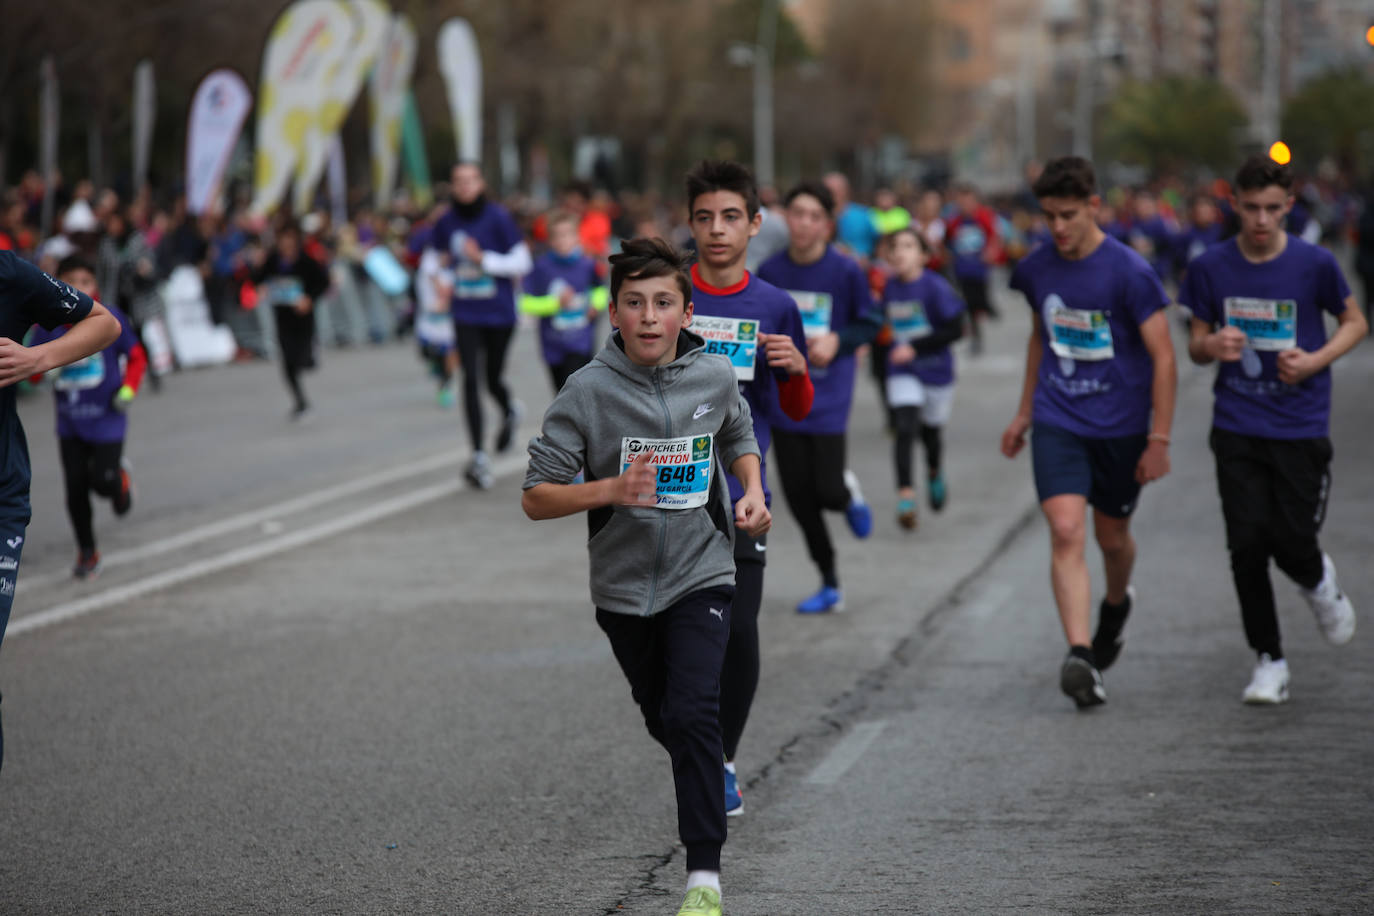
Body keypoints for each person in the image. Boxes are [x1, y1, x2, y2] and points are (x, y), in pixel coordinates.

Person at [522, 237, 769, 916]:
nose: (650, 317)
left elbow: (738, 436)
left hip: (703, 571)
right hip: (624, 591)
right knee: (667, 718)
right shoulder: (587, 392)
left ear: (687, 311)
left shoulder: (715, 374)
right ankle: (703, 759)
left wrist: (752, 491)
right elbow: (536, 496)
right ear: (614, 314)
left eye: (664, 303)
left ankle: (704, 878)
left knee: (693, 712)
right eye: (635, 303)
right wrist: (608, 490)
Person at [1181, 155, 1366, 705]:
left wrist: (1315, 360)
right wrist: (1212, 346)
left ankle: (1318, 581)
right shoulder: (1210, 267)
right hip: (1237, 422)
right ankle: (1269, 660)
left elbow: (1356, 322)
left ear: (1288, 207)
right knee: (1246, 546)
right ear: (1234, 204)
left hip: (1300, 425)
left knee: (1290, 541)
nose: (1261, 220)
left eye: (1272, 209)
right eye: (1251, 208)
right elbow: (1194, 343)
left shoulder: (1314, 264)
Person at [999, 156, 1177, 710]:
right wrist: (1025, 411)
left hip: (1121, 428)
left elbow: (1164, 357)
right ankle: (1080, 653)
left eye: (1068, 215)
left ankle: (1117, 604)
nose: (1057, 228)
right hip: (1059, 420)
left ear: (1094, 207)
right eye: (1048, 216)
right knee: (1066, 529)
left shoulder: (1129, 272)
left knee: (1111, 539)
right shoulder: (1035, 269)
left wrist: (1159, 439)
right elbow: (1039, 338)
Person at [684, 159, 812, 817]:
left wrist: (794, 370)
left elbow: (793, 410)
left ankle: (723, 761)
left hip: (741, 489)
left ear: (755, 225)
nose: (717, 229)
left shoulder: (774, 304)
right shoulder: (666, 295)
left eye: (731, 217)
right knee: (671, 641)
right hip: (670, 490)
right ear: (690, 223)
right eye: (704, 217)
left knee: (737, 631)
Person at [0, 248, 121, 771]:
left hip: (0, 491)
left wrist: (37, 358)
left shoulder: (8, 273)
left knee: (94, 480)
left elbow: (105, 323)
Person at [758, 181, 882, 614]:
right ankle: (829, 582)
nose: (804, 224)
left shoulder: (846, 272)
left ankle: (848, 495)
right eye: (797, 214)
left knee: (826, 490)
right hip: (784, 397)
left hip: (828, 396)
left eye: (814, 216)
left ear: (828, 225)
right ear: (785, 219)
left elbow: (871, 323)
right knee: (798, 498)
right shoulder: (771, 272)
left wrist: (838, 340)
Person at [28, 256, 144, 578]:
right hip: (69, 423)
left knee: (102, 483)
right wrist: (42, 371)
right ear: (58, 285)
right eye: (70, 280)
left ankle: (118, 481)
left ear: (95, 286)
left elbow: (136, 357)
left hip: (107, 418)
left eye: (85, 280)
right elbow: (31, 370)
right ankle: (88, 553)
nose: (78, 287)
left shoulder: (108, 319)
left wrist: (128, 391)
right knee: (76, 491)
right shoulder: (47, 326)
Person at [429, 162, 532, 489]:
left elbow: (522, 261)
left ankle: (509, 411)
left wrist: (482, 259)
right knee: (469, 378)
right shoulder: (446, 221)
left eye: (470, 180)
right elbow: (435, 259)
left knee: (492, 378)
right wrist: (441, 279)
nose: (464, 186)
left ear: (481, 183)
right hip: (465, 313)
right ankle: (477, 455)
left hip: (500, 313)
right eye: (458, 180)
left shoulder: (498, 217)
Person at [881, 227, 965, 529]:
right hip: (903, 372)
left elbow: (956, 330)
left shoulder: (935, 287)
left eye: (908, 246)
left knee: (931, 434)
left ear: (924, 256)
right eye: (895, 247)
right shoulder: (889, 288)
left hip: (937, 373)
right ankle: (906, 496)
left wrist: (914, 347)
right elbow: (882, 324)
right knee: (904, 427)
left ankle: (933, 469)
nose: (900, 252)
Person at [518, 210, 607, 392]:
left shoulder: (587, 264)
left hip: (581, 341)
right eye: (557, 236)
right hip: (552, 343)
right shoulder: (541, 267)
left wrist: (595, 305)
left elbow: (601, 290)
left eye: (568, 234)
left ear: (577, 237)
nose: (563, 240)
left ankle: (581, 420)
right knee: (560, 393)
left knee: (575, 389)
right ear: (550, 240)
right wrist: (554, 303)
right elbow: (525, 303)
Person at [252, 222, 329, 420]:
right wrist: (258, 276)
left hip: (303, 317)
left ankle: (310, 356)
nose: (285, 243)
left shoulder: (306, 261)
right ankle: (299, 400)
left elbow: (322, 282)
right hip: (282, 316)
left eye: (289, 239)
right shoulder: (273, 260)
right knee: (287, 360)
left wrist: (309, 299)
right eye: (282, 239)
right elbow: (258, 280)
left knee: (302, 358)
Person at [944, 184, 1001, 354]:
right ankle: (976, 336)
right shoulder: (954, 221)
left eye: (968, 201)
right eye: (961, 202)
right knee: (970, 305)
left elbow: (994, 238)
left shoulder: (984, 216)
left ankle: (988, 308)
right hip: (962, 270)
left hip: (980, 269)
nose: (965, 205)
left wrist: (991, 252)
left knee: (980, 298)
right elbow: (947, 242)